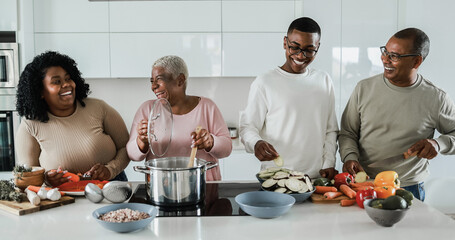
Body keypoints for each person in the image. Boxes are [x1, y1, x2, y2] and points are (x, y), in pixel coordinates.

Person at [339, 28, 455, 201]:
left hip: (408, 188)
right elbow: (348, 132)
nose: (384, 59)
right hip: (364, 184)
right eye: (385, 52)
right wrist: (349, 156)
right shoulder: (363, 88)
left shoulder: (436, 98)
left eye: (394, 56)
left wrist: (438, 144)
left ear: (416, 61)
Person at [239, 17, 339, 180]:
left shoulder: (324, 80)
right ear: (285, 43)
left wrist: (329, 162)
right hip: (276, 176)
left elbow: (331, 129)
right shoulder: (265, 82)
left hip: (315, 177)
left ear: (318, 47)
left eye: (309, 49)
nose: (301, 55)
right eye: (294, 47)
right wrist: (256, 143)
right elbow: (248, 127)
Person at [16, 51, 130, 187]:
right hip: (61, 197)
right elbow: (28, 174)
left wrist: (110, 170)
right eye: (57, 81)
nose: (66, 85)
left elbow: (125, 147)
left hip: (110, 188)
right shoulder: (30, 125)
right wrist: (46, 179)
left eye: (68, 78)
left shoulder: (99, 108)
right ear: (40, 91)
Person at [126, 55, 232, 181]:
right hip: (160, 188)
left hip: (203, 186)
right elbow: (132, 155)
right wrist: (141, 142)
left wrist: (211, 142)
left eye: (159, 80)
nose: (153, 86)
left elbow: (227, 148)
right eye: (151, 81)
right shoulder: (147, 109)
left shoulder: (207, 107)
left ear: (180, 80)